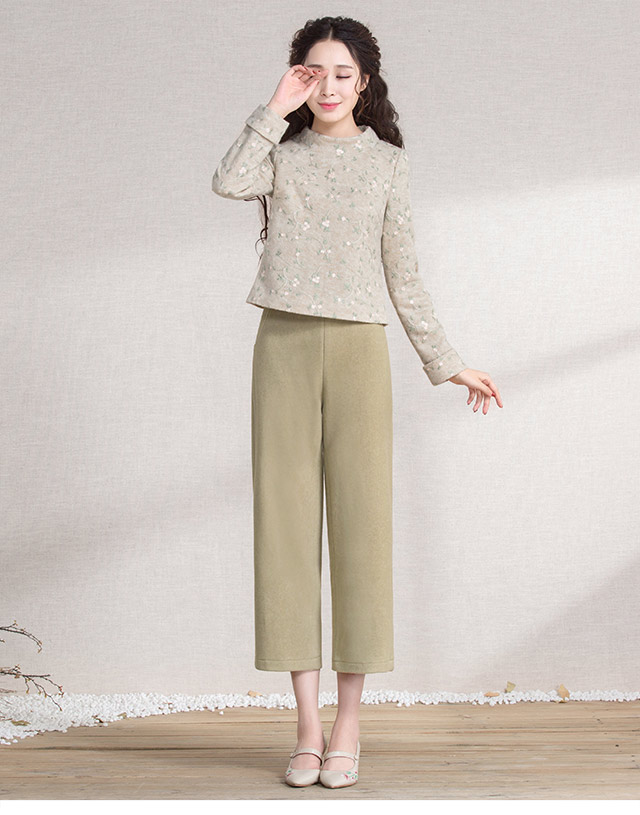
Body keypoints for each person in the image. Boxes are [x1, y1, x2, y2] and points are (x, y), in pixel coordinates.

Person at [212, 15, 502, 789]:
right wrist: (276, 106)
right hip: (282, 348)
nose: (330, 87)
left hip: (359, 355)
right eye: (315, 72)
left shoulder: (387, 165)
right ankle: (306, 726)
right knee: (283, 531)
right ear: (299, 78)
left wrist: (448, 363)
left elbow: (404, 273)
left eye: (343, 74)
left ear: (365, 82)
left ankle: (348, 721)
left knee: (362, 532)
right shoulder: (281, 154)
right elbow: (228, 180)